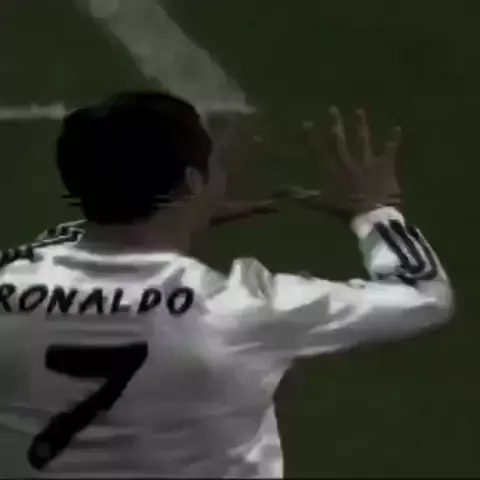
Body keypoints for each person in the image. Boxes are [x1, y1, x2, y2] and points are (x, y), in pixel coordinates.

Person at [0, 91, 454, 479]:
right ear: (193, 181)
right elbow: (423, 295)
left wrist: (174, 215)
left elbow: (57, 248)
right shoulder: (242, 306)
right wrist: (375, 209)